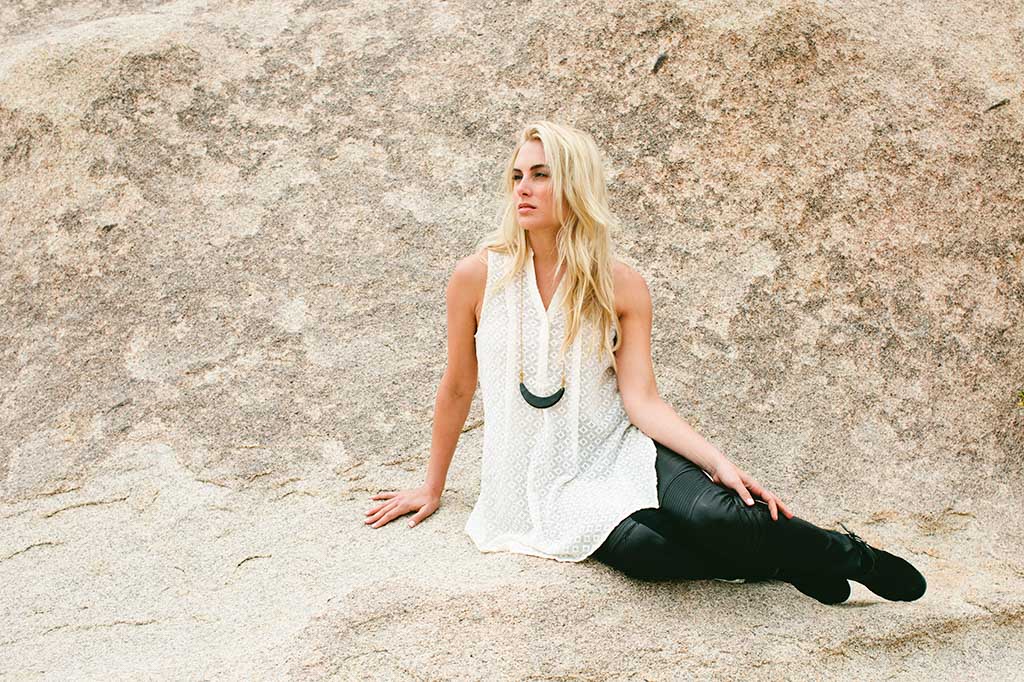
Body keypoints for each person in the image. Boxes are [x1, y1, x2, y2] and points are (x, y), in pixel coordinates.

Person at [363, 121, 927, 605]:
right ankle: (783, 562)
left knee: (718, 516)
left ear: (575, 185)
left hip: (621, 449)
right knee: (650, 552)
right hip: (543, 480)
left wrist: (718, 462)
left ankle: (847, 553)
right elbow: (458, 385)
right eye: (517, 176)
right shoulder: (477, 276)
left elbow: (642, 399)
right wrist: (432, 486)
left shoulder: (620, 284)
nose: (524, 189)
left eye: (541, 175)